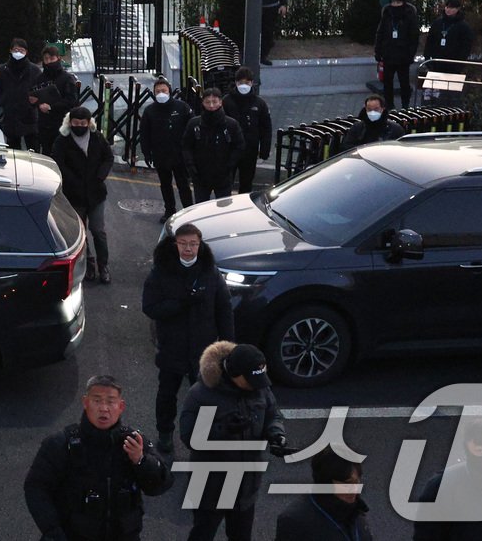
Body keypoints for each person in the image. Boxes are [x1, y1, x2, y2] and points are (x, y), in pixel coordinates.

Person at [23, 374, 174, 541]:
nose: (104, 408)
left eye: (110, 401)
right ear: (85, 402)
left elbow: (162, 485)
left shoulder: (134, 442)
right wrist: (53, 531)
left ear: (121, 406)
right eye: (97, 401)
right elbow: (35, 487)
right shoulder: (61, 444)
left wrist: (141, 461)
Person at [178, 341, 288, 541]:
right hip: (210, 485)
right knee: (203, 533)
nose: (257, 386)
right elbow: (189, 436)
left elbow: (272, 415)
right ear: (235, 374)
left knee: (241, 536)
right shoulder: (201, 394)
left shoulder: (259, 387)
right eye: (251, 380)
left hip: (246, 483)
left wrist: (276, 435)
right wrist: (223, 429)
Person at [141, 226, 233, 455]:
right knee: (167, 394)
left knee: (205, 396)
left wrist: (228, 347)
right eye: (183, 243)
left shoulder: (210, 272)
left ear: (200, 244)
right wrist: (180, 303)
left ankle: (201, 439)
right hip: (172, 346)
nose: (188, 249)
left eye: (193, 244)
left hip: (203, 350)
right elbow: (150, 307)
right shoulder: (161, 272)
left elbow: (224, 309)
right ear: (176, 244)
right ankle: (165, 434)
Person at [51, 106, 114, 284]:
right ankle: (88, 263)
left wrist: (100, 176)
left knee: (98, 230)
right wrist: (72, 180)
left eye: (83, 123)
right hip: (74, 194)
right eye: (76, 123)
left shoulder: (97, 138)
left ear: (89, 123)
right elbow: (58, 162)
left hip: (96, 193)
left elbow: (108, 157)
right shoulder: (62, 140)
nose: (79, 126)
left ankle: (103, 265)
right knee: (80, 232)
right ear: (70, 122)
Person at [274, 446, 370, 541]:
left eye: (357, 482)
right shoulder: (294, 521)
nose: (355, 490)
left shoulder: (356, 514)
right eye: (347, 484)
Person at [139, 78, 193, 221]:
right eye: (157, 91)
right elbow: (144, 133)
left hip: (180, 155)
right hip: (161, 155)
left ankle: (189, 211)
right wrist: (146, 153)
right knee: (165, 185)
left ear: (169, 91)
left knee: (183, 185)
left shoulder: (182, 107)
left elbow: (191, 128)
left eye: (163, 90)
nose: (161, 93)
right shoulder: (150, 111)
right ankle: (169, 210)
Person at [182, 89, 245, 203]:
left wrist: (229, 165)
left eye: (214, 102)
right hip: (200, 176)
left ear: (220, 102)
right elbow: (186, 146)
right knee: (201, 207)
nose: (211, 105)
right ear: (203, 103)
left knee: (223, 207)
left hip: (223, 176)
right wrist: (191, 166)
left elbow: (239, 146)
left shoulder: (231, 124)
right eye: (207, 102)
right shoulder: (194, 124)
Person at [222, 68, 271, 194]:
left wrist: (264, 150)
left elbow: (265, 128)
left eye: (247, 82)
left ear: (252, 83)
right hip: (229, 149)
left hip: (250, 150)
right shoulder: (226, 101)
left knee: (247, 183)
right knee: (226, 182)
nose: (244, 86)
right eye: (241, 82)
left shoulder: (259, 103)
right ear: (236, 83)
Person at [374, 0, 421, 109]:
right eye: (394, 2)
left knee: (404, 82)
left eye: (398, 2)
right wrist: (378, 51)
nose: (395, 5)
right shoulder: (387, 15)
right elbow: (380, 33)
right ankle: (389, 105)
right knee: (387, 82)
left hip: (403, 56)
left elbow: (414, 37)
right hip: (388, 54)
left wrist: (410, 55)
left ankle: (405, 105)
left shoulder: (409, 16)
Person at [0, 38, 43, 151]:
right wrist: (3, 101)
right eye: (16, 50)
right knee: (12, 149)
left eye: (21, 50)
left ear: (26, 52)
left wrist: (34, 103)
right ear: (10, 50)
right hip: (11, 114)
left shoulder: (34, 70)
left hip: (29, 115)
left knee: (33, 148)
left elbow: (41, 88)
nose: (18, 53)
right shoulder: (4, 69)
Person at [30, 45, 81, 142]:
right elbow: (34, 95)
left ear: (58, 58)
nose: (49, 61)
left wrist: (51, 107)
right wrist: (35, 102)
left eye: (52, 58)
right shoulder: (39, 78)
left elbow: (72, 100)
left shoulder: (67, 78)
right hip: (44, 124)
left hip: (63, 123)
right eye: (46, 59)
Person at [424, 0, 474, 68]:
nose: (448, 10)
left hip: (454, 62)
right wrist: (427, 56)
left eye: (451, 8)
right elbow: (430, 40)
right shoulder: (437, 23)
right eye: (447, 7)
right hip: (436, 61)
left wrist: (460, 62)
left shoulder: (463, 26)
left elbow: (466, 46)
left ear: (457, 9)